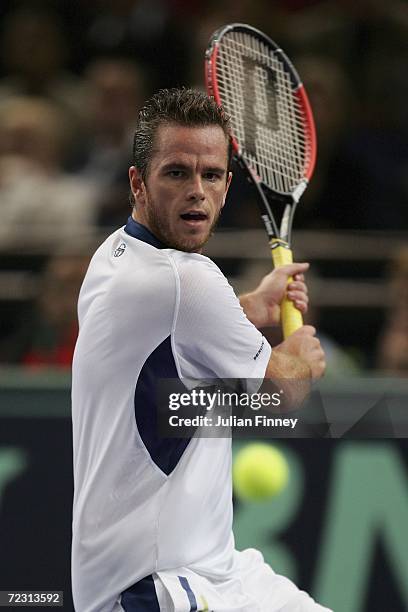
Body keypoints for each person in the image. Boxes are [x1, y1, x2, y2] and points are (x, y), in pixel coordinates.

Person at [71, 88, 328, 612]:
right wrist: (301, 354)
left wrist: (250, 305)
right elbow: (280, 394)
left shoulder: (114, 256)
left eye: (211, 175)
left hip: (219, 568)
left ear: (229, 186)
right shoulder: (188, 281)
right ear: (138, 183)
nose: (197, 191)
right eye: (176, 173)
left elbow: (171, 331)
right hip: (155, 584)